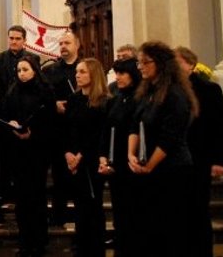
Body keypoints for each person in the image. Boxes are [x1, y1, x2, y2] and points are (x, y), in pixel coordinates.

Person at [128, 41, 198, 256]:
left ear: (161, 63)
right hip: (149, 169)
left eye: (145, 62)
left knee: (171, 229)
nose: (140, 67)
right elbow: (135, 124)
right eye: (139, 62)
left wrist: (149, 165)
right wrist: (131, 154)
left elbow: (171, 137)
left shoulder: (175, 94)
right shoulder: (148, 91)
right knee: (151, 229)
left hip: (171, 169)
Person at [175, 46, 223, 257]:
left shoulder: (209, 90)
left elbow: (220, 127)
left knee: (199, 209)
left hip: (201, 157)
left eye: (179, 64)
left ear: (190, 64)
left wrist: (219, 161)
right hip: (177, 159)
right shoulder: (172, 90)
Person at [2, 54, 53, 257]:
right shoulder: (13, 90)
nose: (21, 74)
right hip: (18, 151)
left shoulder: (45, 91)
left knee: (37, 198)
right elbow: (6, 115)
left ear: (35, 71)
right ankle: (25, 241)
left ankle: (39, 241)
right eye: (19, 70)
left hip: (37, 151)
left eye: (25, 70)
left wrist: (34, 133)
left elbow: (50, 122)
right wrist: (11, 126)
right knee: (21, 200)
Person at [63, 58, 109, 257]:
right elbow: (66, 130)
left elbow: (99, 134)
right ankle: (81, 246)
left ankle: (95, 248)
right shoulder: (73, 99)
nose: (77, 75)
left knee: (93, 206)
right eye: (77, 72)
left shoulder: (103, 101)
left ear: (93, 74)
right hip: (73, 160)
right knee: (80, 206)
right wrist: (68, 154)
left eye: (82, 72)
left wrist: (80, 155)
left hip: (91, 160)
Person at [0, 25, 39, 203]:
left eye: (17, 38)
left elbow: (36, 87)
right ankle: (3, 192)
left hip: (26, 115)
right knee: (5, 156)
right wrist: (4, 114)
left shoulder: (33, 59)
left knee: (24, 157)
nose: (14, 41)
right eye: (11, 38)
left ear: (24, 40)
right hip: (5, 115)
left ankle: (21, 192)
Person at [98, 57, 141, 257]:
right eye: (116, 73)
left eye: (123, 73)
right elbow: (106, 129)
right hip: (115, 162)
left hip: (133, 162)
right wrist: (103, 157)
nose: (118, 77)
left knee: (134, 211)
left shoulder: (140, 98)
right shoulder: (115, 98)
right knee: (120, 210)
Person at [42, 31, 81, 226]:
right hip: (58, 129)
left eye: (67, 42)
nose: (63, 46)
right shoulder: (51, 70)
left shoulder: (85, 67)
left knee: (80, 180)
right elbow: (44, 97)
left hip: (80, 130)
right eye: (61, 43)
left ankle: (81, 219)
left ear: (77, 45)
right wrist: (55, 103)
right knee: (58, 175)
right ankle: (58, 216)